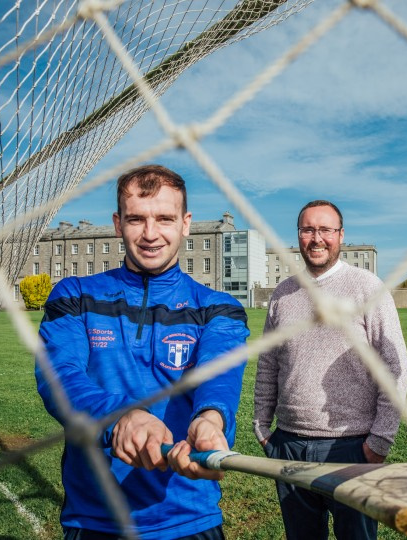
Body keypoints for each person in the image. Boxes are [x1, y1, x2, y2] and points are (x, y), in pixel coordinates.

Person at [36, 164, 249, 540]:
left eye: (164, 219)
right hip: (95, 518)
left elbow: (219, 374)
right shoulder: (74, 296)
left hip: (189, 516)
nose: (151, 234)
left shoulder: (218, 307)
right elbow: (60, 377)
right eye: (137, 220)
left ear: (185, 223)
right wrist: (120, 417)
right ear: (118, 224)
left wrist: (210, 420)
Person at [253, 200, 407, 540]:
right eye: (308, 229)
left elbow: (397, 364)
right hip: (290, 444)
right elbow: (268, 362)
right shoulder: (283, 293)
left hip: (350, 447)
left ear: (341, 235)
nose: (316, 238)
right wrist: (263, 427)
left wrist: (379, 441)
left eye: (326, 230)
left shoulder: (367, 287)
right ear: (298, 236)